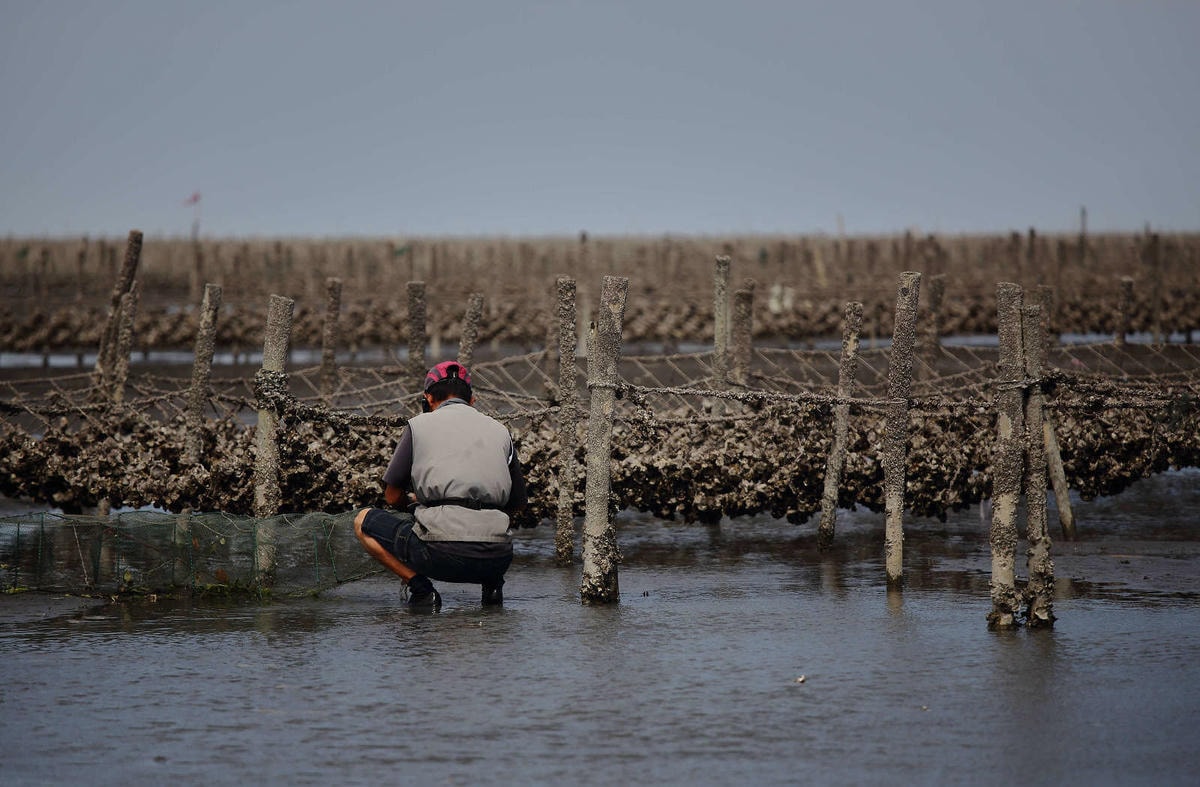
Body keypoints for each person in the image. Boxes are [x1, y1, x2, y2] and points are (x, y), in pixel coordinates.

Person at [353, 361, 527, 609]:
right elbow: (518, 503)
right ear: (472, 400)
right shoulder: (501, 431)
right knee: (489, 522)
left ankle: (422, 591)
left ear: (428, 398)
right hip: (497, 558)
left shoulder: (418, 426)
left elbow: (391, 496)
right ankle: (492, 590)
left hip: (440, 555)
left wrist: (416, 504)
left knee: (363, 521)